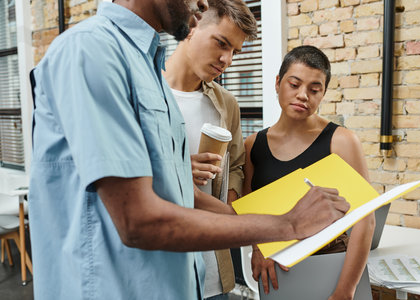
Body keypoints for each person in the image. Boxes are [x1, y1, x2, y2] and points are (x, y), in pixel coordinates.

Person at [29, 0, 350, 298]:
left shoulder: (148, 74)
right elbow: (137, 221)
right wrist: (287, 224)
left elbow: (185, 195)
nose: (202, 3)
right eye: (222, 43)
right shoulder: (92, 50)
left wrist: (274, 227)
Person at [243, 45, 375, 299]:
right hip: (277, 273)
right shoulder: (252, 146)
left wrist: (345, 291)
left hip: (333, 267)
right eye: (294, 85)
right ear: (278, 83)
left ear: (323, 93)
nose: (303, 95)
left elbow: (365, 220)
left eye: (314, 90)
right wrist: (259, 249)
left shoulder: (342, 141)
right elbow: (249, 213)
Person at [163, 1, 256, 298]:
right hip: (164, 266)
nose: (226, 59)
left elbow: (237, 166)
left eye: (234, 52)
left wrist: (228, 211)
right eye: (221, 43)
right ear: (192, 26)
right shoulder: (145, 92)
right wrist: (176, 170)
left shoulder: (226, 103)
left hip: (215, 272)